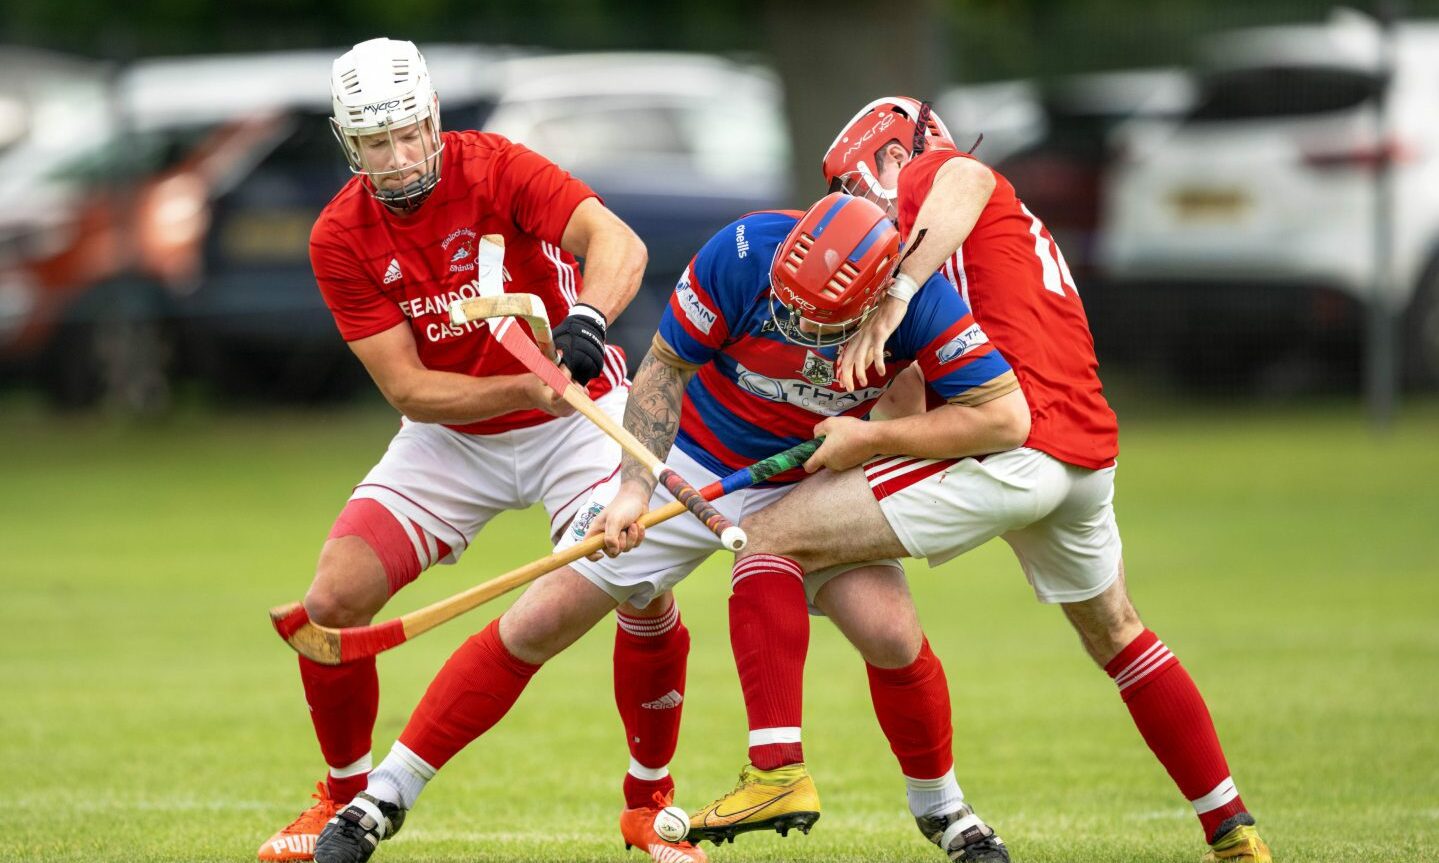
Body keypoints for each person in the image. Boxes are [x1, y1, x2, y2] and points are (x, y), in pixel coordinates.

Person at [309, 192, 1029, 863]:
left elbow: (1004, 417)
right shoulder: (743, 252)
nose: (792, 325)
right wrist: (632, 487)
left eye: (816, 321)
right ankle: (381, 800)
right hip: (693, 454)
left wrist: (872, 442)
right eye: (786, 307)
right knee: (540, 617)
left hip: (819, 479)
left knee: (890, 630)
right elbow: (662, 369)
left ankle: (946, 812)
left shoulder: (926, 305)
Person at [691, 96, 1273, 863]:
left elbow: (962, 176)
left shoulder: (936, 179)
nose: (849, 217)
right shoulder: (994, 235)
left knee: (764, 538)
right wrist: (848, 441)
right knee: (1118, 634)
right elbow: (904, 394)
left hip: (1006, 445)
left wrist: (891, 304)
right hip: (1084, 454)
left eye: (850, 191)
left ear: (893, 158)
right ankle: (1232, 830)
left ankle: (778, 771)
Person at [257, 37, 649, 862]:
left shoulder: (499, 166)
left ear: (432, 120)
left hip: (578, 419)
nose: (398, 160)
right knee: (331, 601)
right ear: (347, 144)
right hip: (452, 435)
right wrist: (520, 389)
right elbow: (408, 390)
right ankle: (342, 792)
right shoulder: (339, 236)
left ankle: (649, 805)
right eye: (375, 143)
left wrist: (587, 323)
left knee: (639, 586)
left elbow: (618, 244)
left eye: (408, 134)